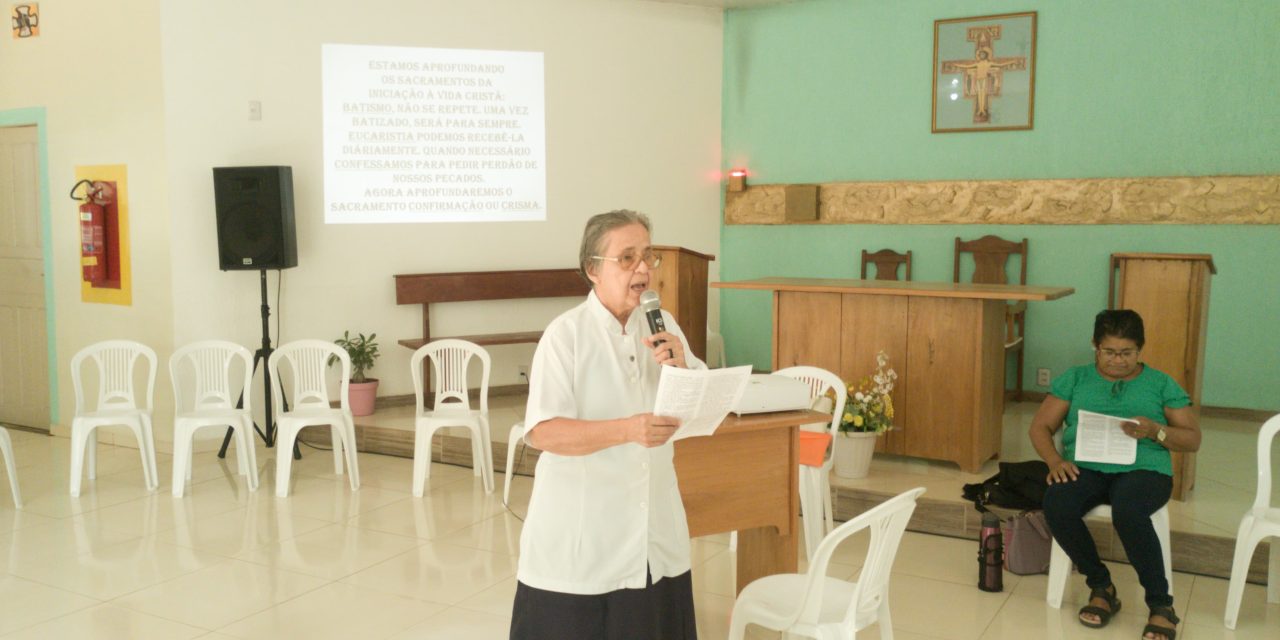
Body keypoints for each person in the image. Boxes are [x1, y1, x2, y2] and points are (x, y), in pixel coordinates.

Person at [509, 210, 705, 640]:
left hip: (655, 536)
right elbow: (543, 432)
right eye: (628, 258)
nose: (643, 269)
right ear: (592, 270)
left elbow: (696, 409)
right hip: (582, 543)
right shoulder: (566, 336)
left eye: (648, 257)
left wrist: (685, 367)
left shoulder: (664, 324)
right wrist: (627, 430)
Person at [1028, 310, 1200, 640]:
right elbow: (1041, 426)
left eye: (1127, 353)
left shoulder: (1160, 383)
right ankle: (1101, 585)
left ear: (1140, 349)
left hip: (1144, 469)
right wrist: (1053, 460)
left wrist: (1156, 431)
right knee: (1058, 503)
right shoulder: (1075, 378)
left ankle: (1161, 604)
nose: (1118, 361)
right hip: (1086, 465)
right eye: (1109, 352)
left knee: (1129, 511)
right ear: (1095, 346)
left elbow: (1192, 439)